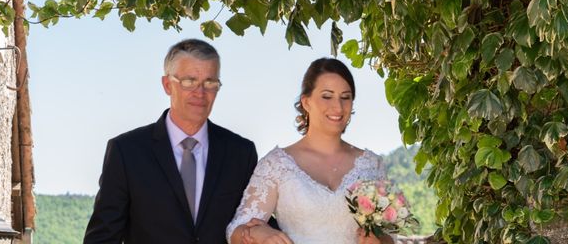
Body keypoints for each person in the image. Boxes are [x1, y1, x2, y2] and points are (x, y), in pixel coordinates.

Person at [84, 38, 258, 244]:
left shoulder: (241, 153)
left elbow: (256, 222)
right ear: (167, 84)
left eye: (210, 83)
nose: (200, 93)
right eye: (189, 81)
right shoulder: (126, 151)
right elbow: (103, 237)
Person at [226, 58, 395, 244]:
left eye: (345, 97)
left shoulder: (371, 164)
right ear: (306, 102)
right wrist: (259, 233)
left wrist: (381, 240)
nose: (338, 107)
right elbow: (236, 230)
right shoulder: (277, 164)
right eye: (327, 96)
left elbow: (389, 235)